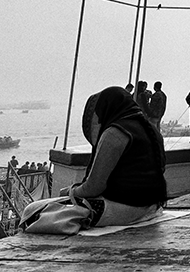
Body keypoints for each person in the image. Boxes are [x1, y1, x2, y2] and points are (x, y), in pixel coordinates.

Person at [56, 86, 166, 227]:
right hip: (152, 207)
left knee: (36, 211)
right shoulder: (153, 131)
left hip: (122, 209)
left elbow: (94, 187)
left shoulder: (115, 133)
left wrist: (70, 191)